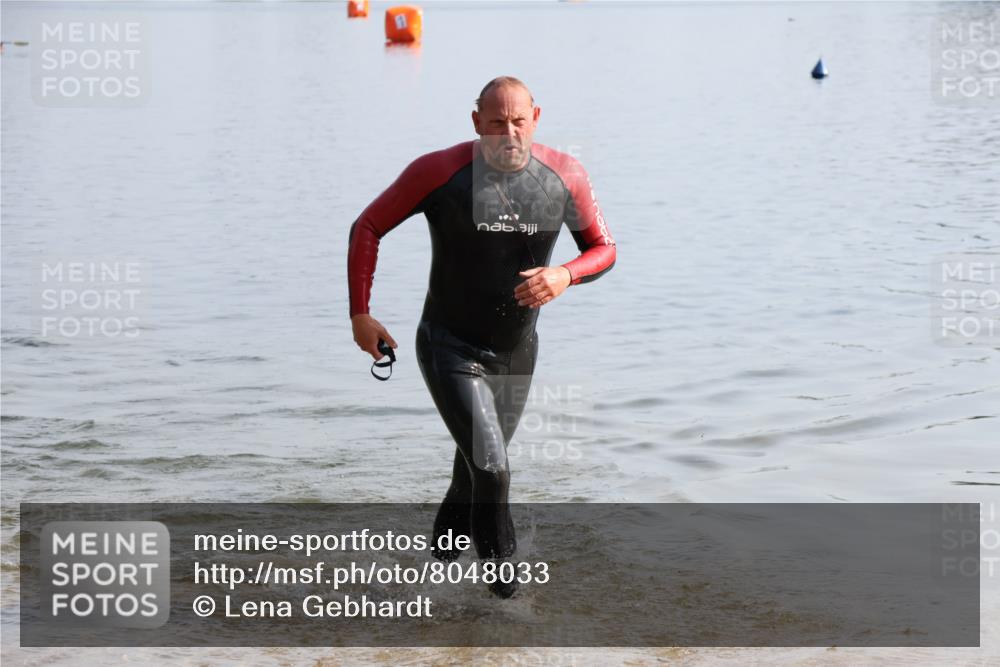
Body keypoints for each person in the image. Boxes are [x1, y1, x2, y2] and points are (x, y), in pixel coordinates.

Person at [347, 76, 616, 597]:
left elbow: (604, 249)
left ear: (536, 117)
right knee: (493, 469)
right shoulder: (440, 172)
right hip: (450, 346)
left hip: (517, 353)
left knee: (472, 476)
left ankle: (434, 586)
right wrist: (362, 314)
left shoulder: (565, 175)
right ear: (477, 124)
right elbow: (367, 227)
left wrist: (566, 274)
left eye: (519, 122)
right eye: (497, 124)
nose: (509, 134)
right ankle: (507, 607)